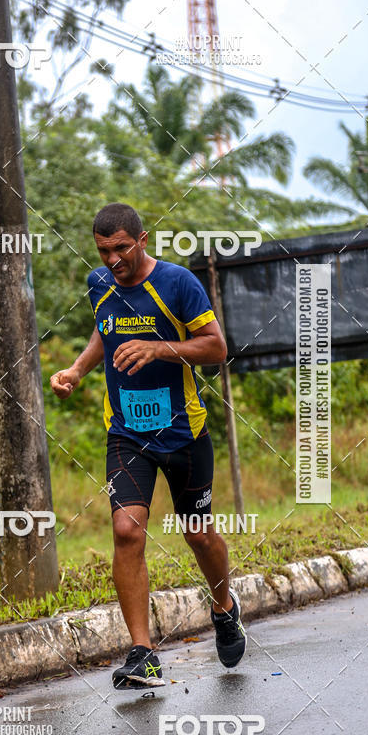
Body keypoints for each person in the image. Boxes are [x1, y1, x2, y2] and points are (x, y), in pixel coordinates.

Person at [50, 202, 246, 688]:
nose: (113, 260)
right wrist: (77, 369)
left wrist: (160, 347)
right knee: (126, 530)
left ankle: (224, 607)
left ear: (141, 240)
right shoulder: (101, 285)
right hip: (127, 434)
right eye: (103, 251)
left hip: (184, 433)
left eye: (120, 249)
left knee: (198, 533)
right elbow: (105, 329)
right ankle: (142, 652)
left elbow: (217, 348)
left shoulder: (178, 283)